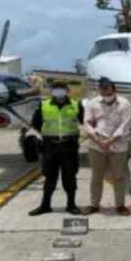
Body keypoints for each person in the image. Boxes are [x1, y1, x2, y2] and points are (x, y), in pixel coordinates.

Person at [29, 79, 83, 216]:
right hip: (49, 147)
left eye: (62, 87)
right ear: (52, 91)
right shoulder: (44, 105)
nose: (59, 90)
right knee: (49, 177)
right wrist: (36, 141)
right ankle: (45, 205)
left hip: (69, 146)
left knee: (70, 177)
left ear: (67, 90)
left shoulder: (76, 104)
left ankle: (71, 205)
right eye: (56, 88)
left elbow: (86, 122)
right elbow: (35, 125)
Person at [82, 77, 131, 216]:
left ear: (114, 89)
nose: (105, 94)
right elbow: (87, 123)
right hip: (96, 145)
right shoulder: (92, 104)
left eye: (108, 90)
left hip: (118, 144)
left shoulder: (125, 103)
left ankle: (120, 205)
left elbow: (125, 125)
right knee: (96, 176)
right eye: (102, 90)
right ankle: (94, 205)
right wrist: (98, 140)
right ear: (99, 90)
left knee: (119, 176)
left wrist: (110, 141)